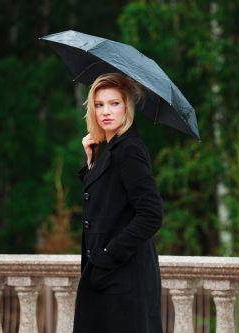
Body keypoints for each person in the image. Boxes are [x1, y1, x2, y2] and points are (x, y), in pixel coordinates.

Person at [72, 72, 164, 333]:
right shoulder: (110, 148)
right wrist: (91, 161)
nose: (106, 111)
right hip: (109, 275)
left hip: (124, 277)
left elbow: (151, 214)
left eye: (114, 103)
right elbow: (107, 201)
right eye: (99, 105)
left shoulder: (129, 149)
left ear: (127, 107)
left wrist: (107, 256)